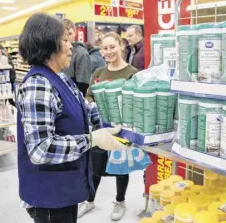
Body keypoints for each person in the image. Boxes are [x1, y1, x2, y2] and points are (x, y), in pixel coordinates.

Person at [17, 13, 125, 223]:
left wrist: (120, 121)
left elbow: (86, 110)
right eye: (65, 40)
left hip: (64, 188)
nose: (71, 46)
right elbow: (41, 149)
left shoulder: (61, 78)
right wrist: (92, 139)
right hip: (49, 196)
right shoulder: (39, 84)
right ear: (48, 44)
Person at [82, 32, 139, 221]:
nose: (108, 52)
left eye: (112, 47)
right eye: (105, 48)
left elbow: (135, 101)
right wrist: (94, 105)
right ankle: (89, 200)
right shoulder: (99, 73)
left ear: (121, 46)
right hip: (100, 126)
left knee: (120, 166)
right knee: (96, 164)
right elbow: (89, 95)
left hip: (122, 129)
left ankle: (120, 201)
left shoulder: (132, 73)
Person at [62, 19, 92, 96]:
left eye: (70, 33)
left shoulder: (81, 54)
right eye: (64, 34)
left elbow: (83, 84)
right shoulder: (58, 52)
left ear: (75, 33)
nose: (67, 37)